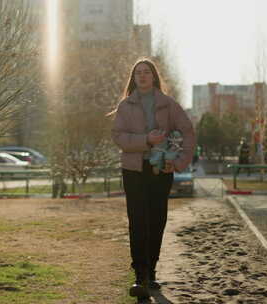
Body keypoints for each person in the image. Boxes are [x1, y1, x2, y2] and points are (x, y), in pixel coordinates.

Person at [111, 58, 196, 301]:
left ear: (154, 76)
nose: (142, 76)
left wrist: (178, 163)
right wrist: (146, 140)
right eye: (138, 72)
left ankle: (151, 271)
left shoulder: (168, 104)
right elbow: (118, 136)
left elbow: (188, 132)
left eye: (146, 72)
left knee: (157, 221)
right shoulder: (125, 106)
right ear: (133, 77)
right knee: (138, 221)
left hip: (161, 171)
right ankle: (140, 276)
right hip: (134, 171)